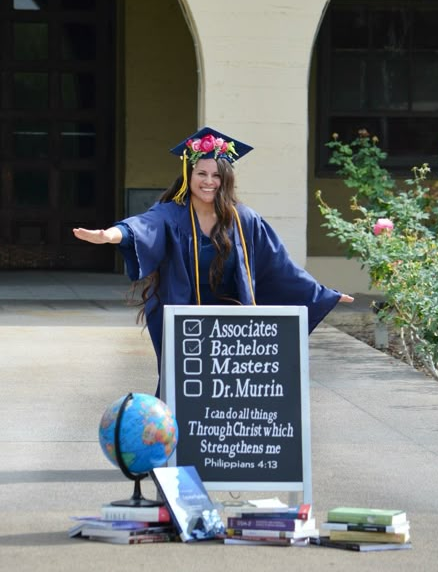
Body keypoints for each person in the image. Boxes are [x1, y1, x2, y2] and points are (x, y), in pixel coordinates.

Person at [73, 127, 353, 395]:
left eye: (216, 175)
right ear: (188, 175)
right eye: (201, 173)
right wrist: (110, 235)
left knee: (227, 386)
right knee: (183, 382)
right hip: (182, 315)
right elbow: (143, 226)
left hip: (230, 320)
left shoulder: (244, 220)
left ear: (226, 179)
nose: (209, 181)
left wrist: (321, 294)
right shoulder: (171, 215)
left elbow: (278, 265)